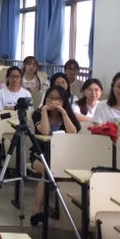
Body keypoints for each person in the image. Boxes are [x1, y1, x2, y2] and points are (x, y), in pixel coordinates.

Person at [30, 85, 80, 225]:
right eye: (50, 97)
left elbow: (73, 133)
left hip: (62, 157)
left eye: (58, 98)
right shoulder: (37, 114)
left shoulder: (67, 115)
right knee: (48, 173)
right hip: (40, 155)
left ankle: (63, 211)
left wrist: (63, 112)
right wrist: (44, 110)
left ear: (64, 101)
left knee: (59, 174)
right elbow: (45, 131)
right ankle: (36, 211)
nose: (54, 101)